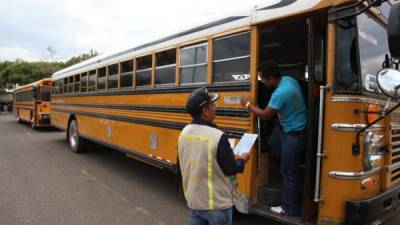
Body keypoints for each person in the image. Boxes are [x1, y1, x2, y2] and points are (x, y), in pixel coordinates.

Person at [240, 61, 307, 216]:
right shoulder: (289, 80)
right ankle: (291, 198)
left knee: (288, 172)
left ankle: (289, 208)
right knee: (277, 152)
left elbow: (264, 115)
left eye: (262, 79)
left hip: (292, 136)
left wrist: (248, 104)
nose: (262, 82)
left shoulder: (280, 93)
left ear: (271, 79)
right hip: (296, 129)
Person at [179, 87, 251, 225]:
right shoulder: (218, 136)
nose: (215, 107)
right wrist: (243, 160)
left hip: (195, 201)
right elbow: (230, 169)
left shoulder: (184, 132)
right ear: (205, 111)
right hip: (216, 205)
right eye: (213, 105)